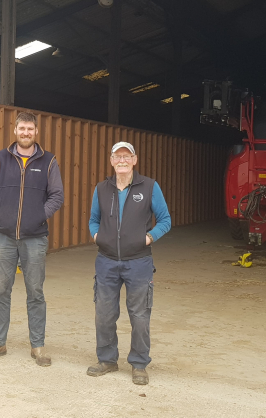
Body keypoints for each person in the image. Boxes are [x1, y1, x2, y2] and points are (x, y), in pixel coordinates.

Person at [0, 111, 64, 366]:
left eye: (30, 129)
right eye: (22, 129)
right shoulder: (1, 158)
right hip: (4, 237)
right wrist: (2, 214)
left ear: (36, 132)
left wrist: (38, 216)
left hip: (35, 239)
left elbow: (57, 195)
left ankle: (37, 346)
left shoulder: (48, 161)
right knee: (1, 290)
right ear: (15, 130)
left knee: (35, 292)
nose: (26, 133)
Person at [87, 141, 171, 386]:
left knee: (140, 316)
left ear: (134, 160)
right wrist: (96, 236)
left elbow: (165, 220)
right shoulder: (102, 189)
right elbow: (93, 219)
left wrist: (149, 237)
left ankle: (139, 363)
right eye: (117, 156)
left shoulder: (149, 186)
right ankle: (107, 360)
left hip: (139, 262)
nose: (122, 160)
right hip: (107, 261)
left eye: (127, 156)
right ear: (111, 161)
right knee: (104, 314)